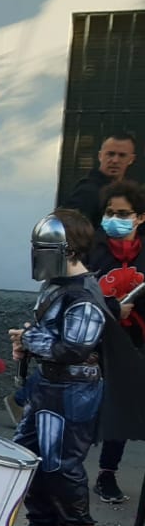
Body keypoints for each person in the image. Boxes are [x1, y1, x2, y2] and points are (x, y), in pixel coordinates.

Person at [5, 211, 108, 526]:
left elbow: (73, 349)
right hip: (48, 384)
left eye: (44, 247)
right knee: (29, 455)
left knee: (60, 463)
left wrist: (30, 340)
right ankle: (44, 523)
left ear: (69, 249)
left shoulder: (83, 296)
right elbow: (50, 336)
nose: (37, 254)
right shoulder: (56, 285)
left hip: (73, 389)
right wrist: (28, 340)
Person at [85, 178, 145, 504]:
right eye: (110, 212)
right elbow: (81, 294)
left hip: (133, 343)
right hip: (94, 340)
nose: (114, 219)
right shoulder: (94, 251)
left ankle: (107, 473)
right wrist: (112, 307)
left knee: (121, 408)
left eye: (123, 214)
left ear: (140, 217)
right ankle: (66, 468)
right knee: (85, 406)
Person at [67, 131, 137, 227]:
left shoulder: (131, 192)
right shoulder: (87, 191)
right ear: (100, 156)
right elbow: (73, 230)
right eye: (110, 154)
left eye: (122, 155)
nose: (115, 160)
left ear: (131, 159)